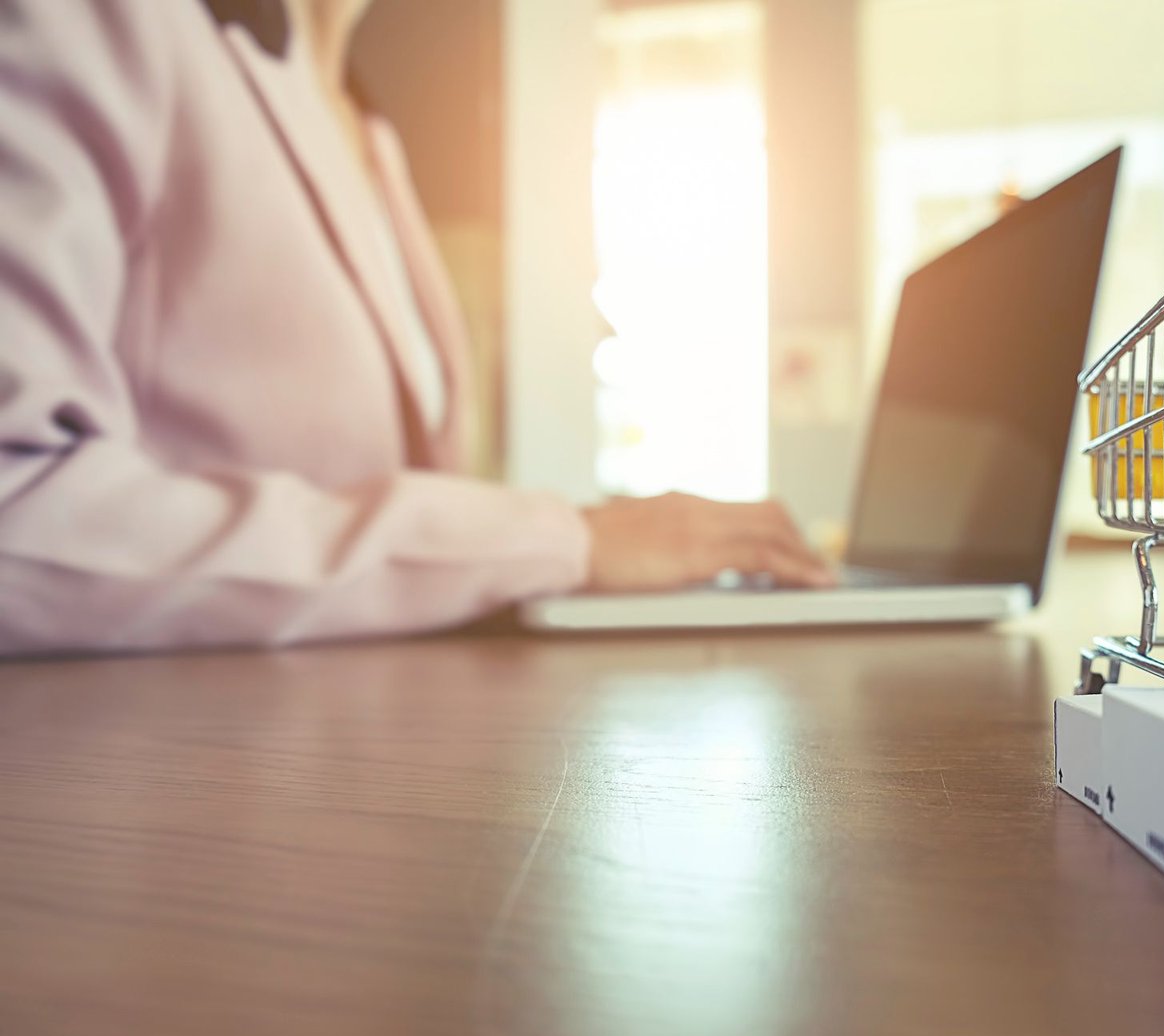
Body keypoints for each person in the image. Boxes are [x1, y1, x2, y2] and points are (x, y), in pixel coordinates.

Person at [0, 0, 832, 656]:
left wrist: (585, 547)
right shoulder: (105, 18)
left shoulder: (361, 121)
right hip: (151, 787)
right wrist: (554, 541)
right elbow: (20, 511)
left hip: (359, 760)